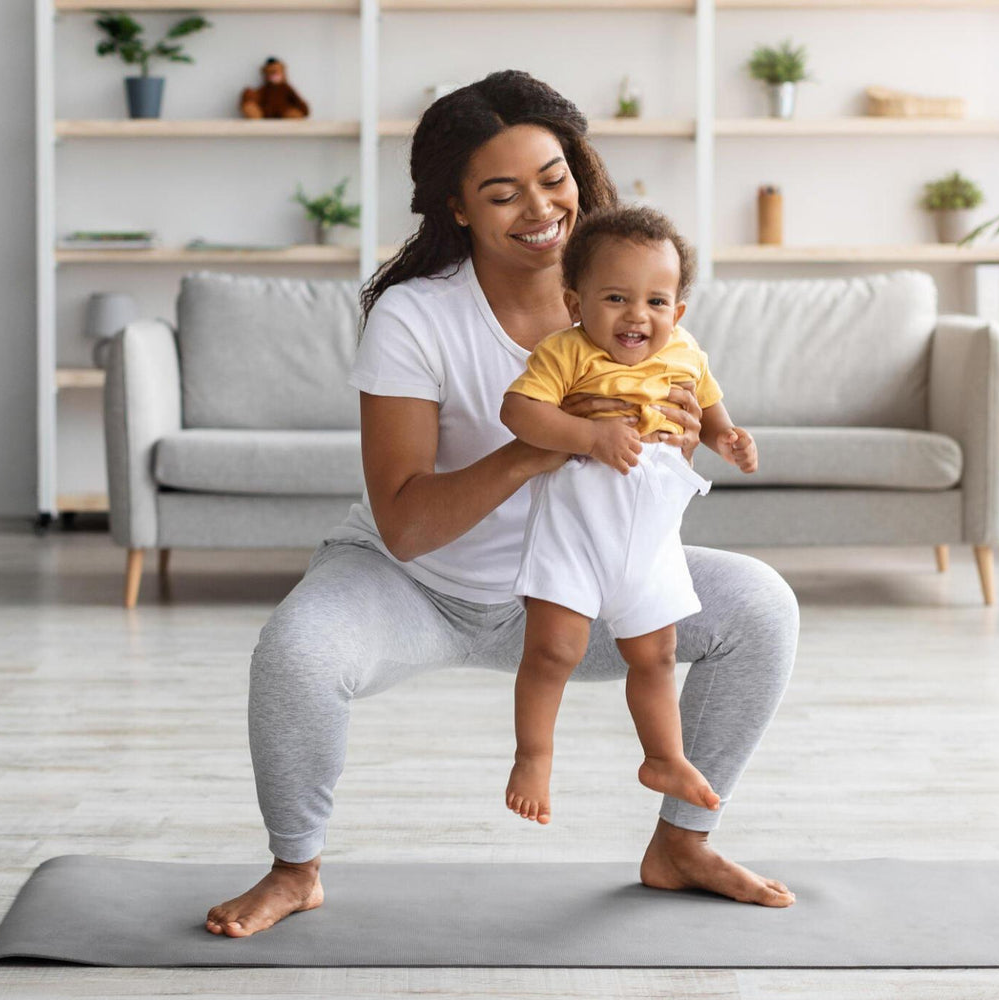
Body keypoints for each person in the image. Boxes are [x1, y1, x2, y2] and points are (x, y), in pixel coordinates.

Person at [203, 70, 798, 939]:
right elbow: (406, 525)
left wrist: (676, 444)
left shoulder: (635, 306)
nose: (539, 207)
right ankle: (295, 869)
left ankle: (681, 847)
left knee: (761, 607)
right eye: (502, 192)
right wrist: (543, 443)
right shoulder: (415, 319)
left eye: (553, 177)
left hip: (566, 588)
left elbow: (660, 468)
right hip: (418, 585)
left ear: (581, 174)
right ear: (457, 208)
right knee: (294, 655)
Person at [500, 204, 759, 826]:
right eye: (615, 297)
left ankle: (663, 755)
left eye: (656, 302)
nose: (636, 315)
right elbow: (519, 412)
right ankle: (533, 755)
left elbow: (711, 404)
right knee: (553, 650)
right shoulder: (565, 352)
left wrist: (727, 438)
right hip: (577, 525)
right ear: (575, 302)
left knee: (658, 654)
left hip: (650, 534)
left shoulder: (687, 354)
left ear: (679, 311)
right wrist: (589, 438)